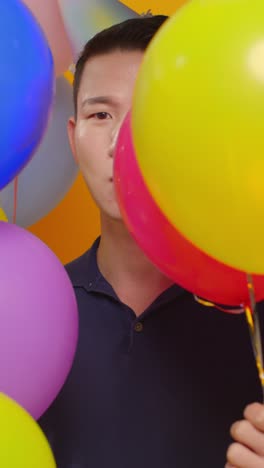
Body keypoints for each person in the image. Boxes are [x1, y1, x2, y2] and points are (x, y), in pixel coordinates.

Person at [39, 15, 264, 468]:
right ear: (73, 136)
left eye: (151, 111)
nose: (122, 143)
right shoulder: (32, 310)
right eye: (101, 115)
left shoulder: (251, 304)